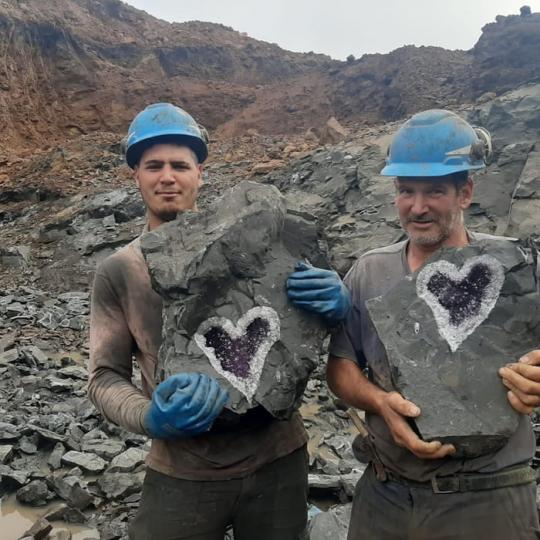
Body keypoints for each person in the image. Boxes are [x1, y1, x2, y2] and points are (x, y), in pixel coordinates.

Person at [88, 102, 350, 540]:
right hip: (183, 468)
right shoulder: (120, 271)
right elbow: (103, 377)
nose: (167, 176)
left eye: (179, 165)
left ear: (200, 173)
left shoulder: (263, 246)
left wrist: (343, 307)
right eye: (153, 165)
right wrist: (150, 417)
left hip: (279, 457)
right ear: (135, 174)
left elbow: (314, 345)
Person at [315, 109, 540, 539]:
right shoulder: (369, 271)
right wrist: (380, 402)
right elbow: (340, 368)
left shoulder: (517, 266)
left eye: (434, 190)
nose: (417, 207)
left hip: (489, 498)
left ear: (465, 192)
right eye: (406, 190)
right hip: (386, 495)